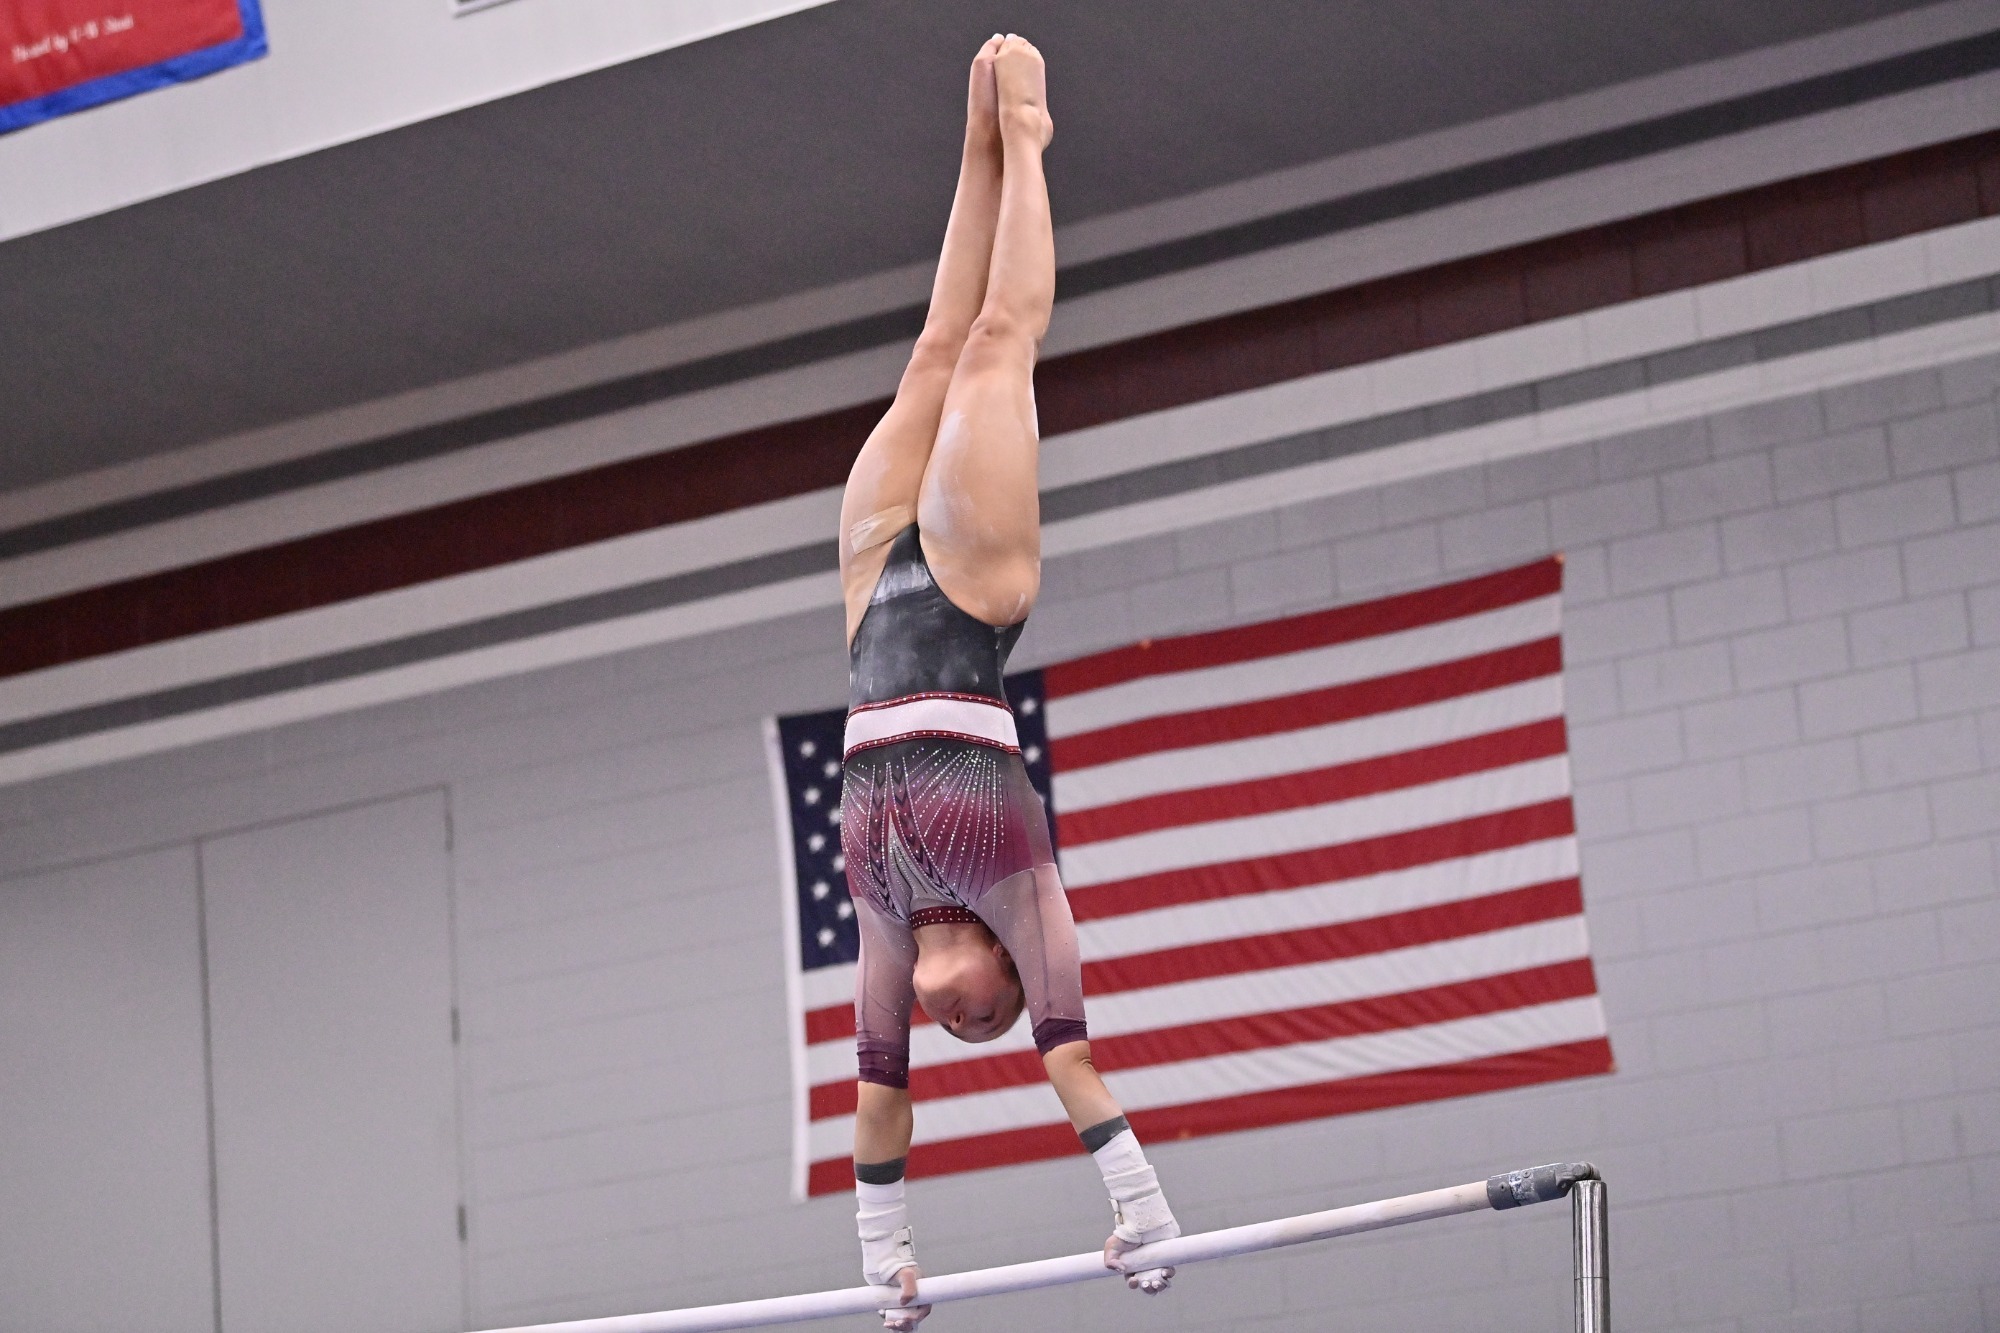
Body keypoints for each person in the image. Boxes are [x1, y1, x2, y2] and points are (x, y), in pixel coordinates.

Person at [836, 34, 1180, 1331]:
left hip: (870, 609)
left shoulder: (886, 925)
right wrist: (1142, 1207)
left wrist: (886, 1262)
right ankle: (1029, 140)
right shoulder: (1024, 898)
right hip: (972, 597)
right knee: (996, 345)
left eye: (957, 1038)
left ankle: (975, 145)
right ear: (1002, 976)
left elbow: (879, 1103)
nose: (961, 1029)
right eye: (990, 1026)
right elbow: (1075, 1064)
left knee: (933, 350)